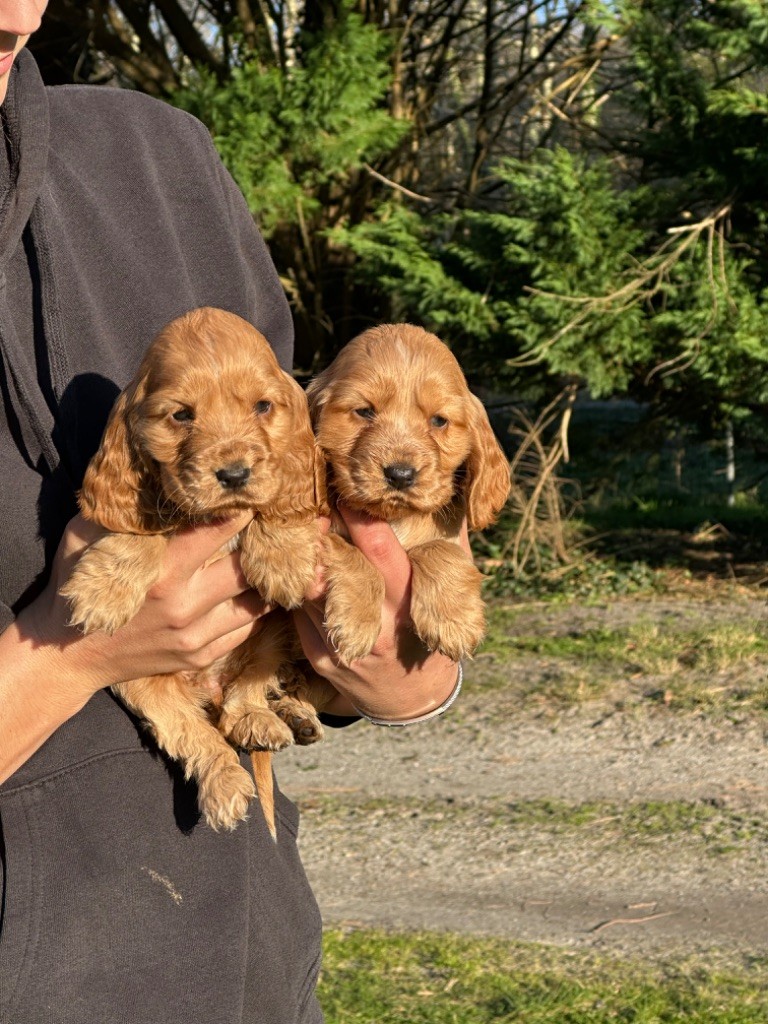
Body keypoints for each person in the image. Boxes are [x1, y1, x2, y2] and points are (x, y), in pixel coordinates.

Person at [0, 3, 462, 1022]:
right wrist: (67, 656)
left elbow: (323, 493)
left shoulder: (160, 159)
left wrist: (390, 666)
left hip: (238, 964)